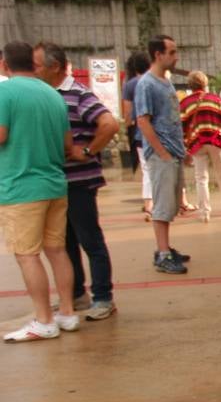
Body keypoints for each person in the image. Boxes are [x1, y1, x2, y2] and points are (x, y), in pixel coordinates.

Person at [0, 41, 87, 341]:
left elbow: (1, 135)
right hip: (55, 184)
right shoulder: (53, 95)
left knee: (27, 254)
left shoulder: (4, 93)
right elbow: (67, 146)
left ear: (4, 65)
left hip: (20, 186)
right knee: (57, 250)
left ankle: (43, 319)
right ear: (32, 64)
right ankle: (66, 312)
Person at [33, 41, 119, 319]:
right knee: (65, 242)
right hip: (59, 183)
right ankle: (77, 295)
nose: (32, 71)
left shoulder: (77, 94)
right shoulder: (48, 95)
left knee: (89, 240)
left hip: (79, 183)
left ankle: (103, 297)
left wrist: (88, 150)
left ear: (54, 67)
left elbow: (109, 124)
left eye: (35, 66)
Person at [134, 34, 191, 274]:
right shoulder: (147, 84)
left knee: (171, 204)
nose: (176, 57)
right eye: (172, 52)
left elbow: (171, 121)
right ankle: (163, 254)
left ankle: (165, 248)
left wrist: (181, 150)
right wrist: (162, 152)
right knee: (162, 206)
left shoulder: (164, 81)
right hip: (162, 156)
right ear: (158, 54)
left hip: (173, 152)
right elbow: (143, 121)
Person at [180, 70, 221, 222]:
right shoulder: (214, 99)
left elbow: (182, 125)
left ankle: (204, 212)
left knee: (201, 178)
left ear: (190, 85)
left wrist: (184, 144)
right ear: (205, 83)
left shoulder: (185, 103)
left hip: (197, 142)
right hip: (215, 140)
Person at [121, 51, 154, 220]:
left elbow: (127, 111)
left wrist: (128, 125)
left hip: (138, 131)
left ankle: (149, 203)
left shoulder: (129, 84)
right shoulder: (156, 81)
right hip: (157, 130)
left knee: (146, 167)